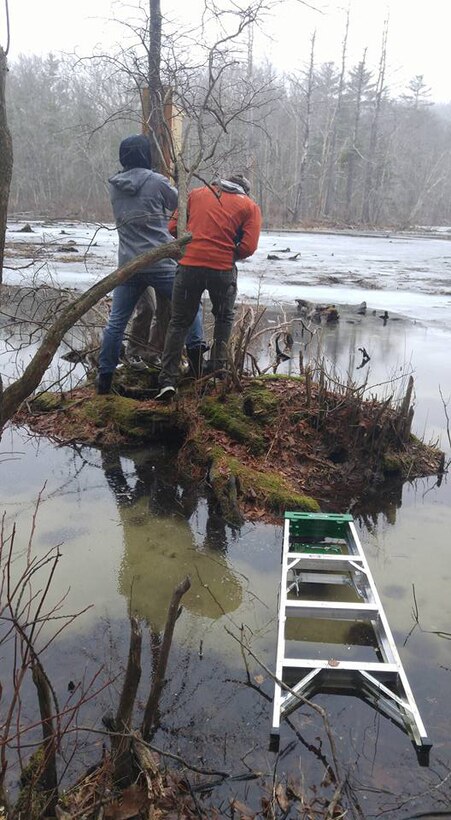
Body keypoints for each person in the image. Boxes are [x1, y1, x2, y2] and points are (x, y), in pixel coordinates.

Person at [97, 134, 205, 394]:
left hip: (128, 263)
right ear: (147, 155)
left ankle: (104, 380)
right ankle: (198, 367)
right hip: (160, 259)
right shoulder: (157, 181)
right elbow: (179, 203)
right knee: (190, 307)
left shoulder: (115, 185)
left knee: (116, 323)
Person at [155, 173, 262, 401]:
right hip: (222, 270)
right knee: (223, 318)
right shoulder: (249, 206)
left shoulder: (196, 194)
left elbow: (173, 227)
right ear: (244, 190)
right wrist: (230, 253)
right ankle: (217, 372)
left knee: (178, 321)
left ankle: (167, 380)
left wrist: (194, 244)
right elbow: (249, 246)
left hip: (189, 266)